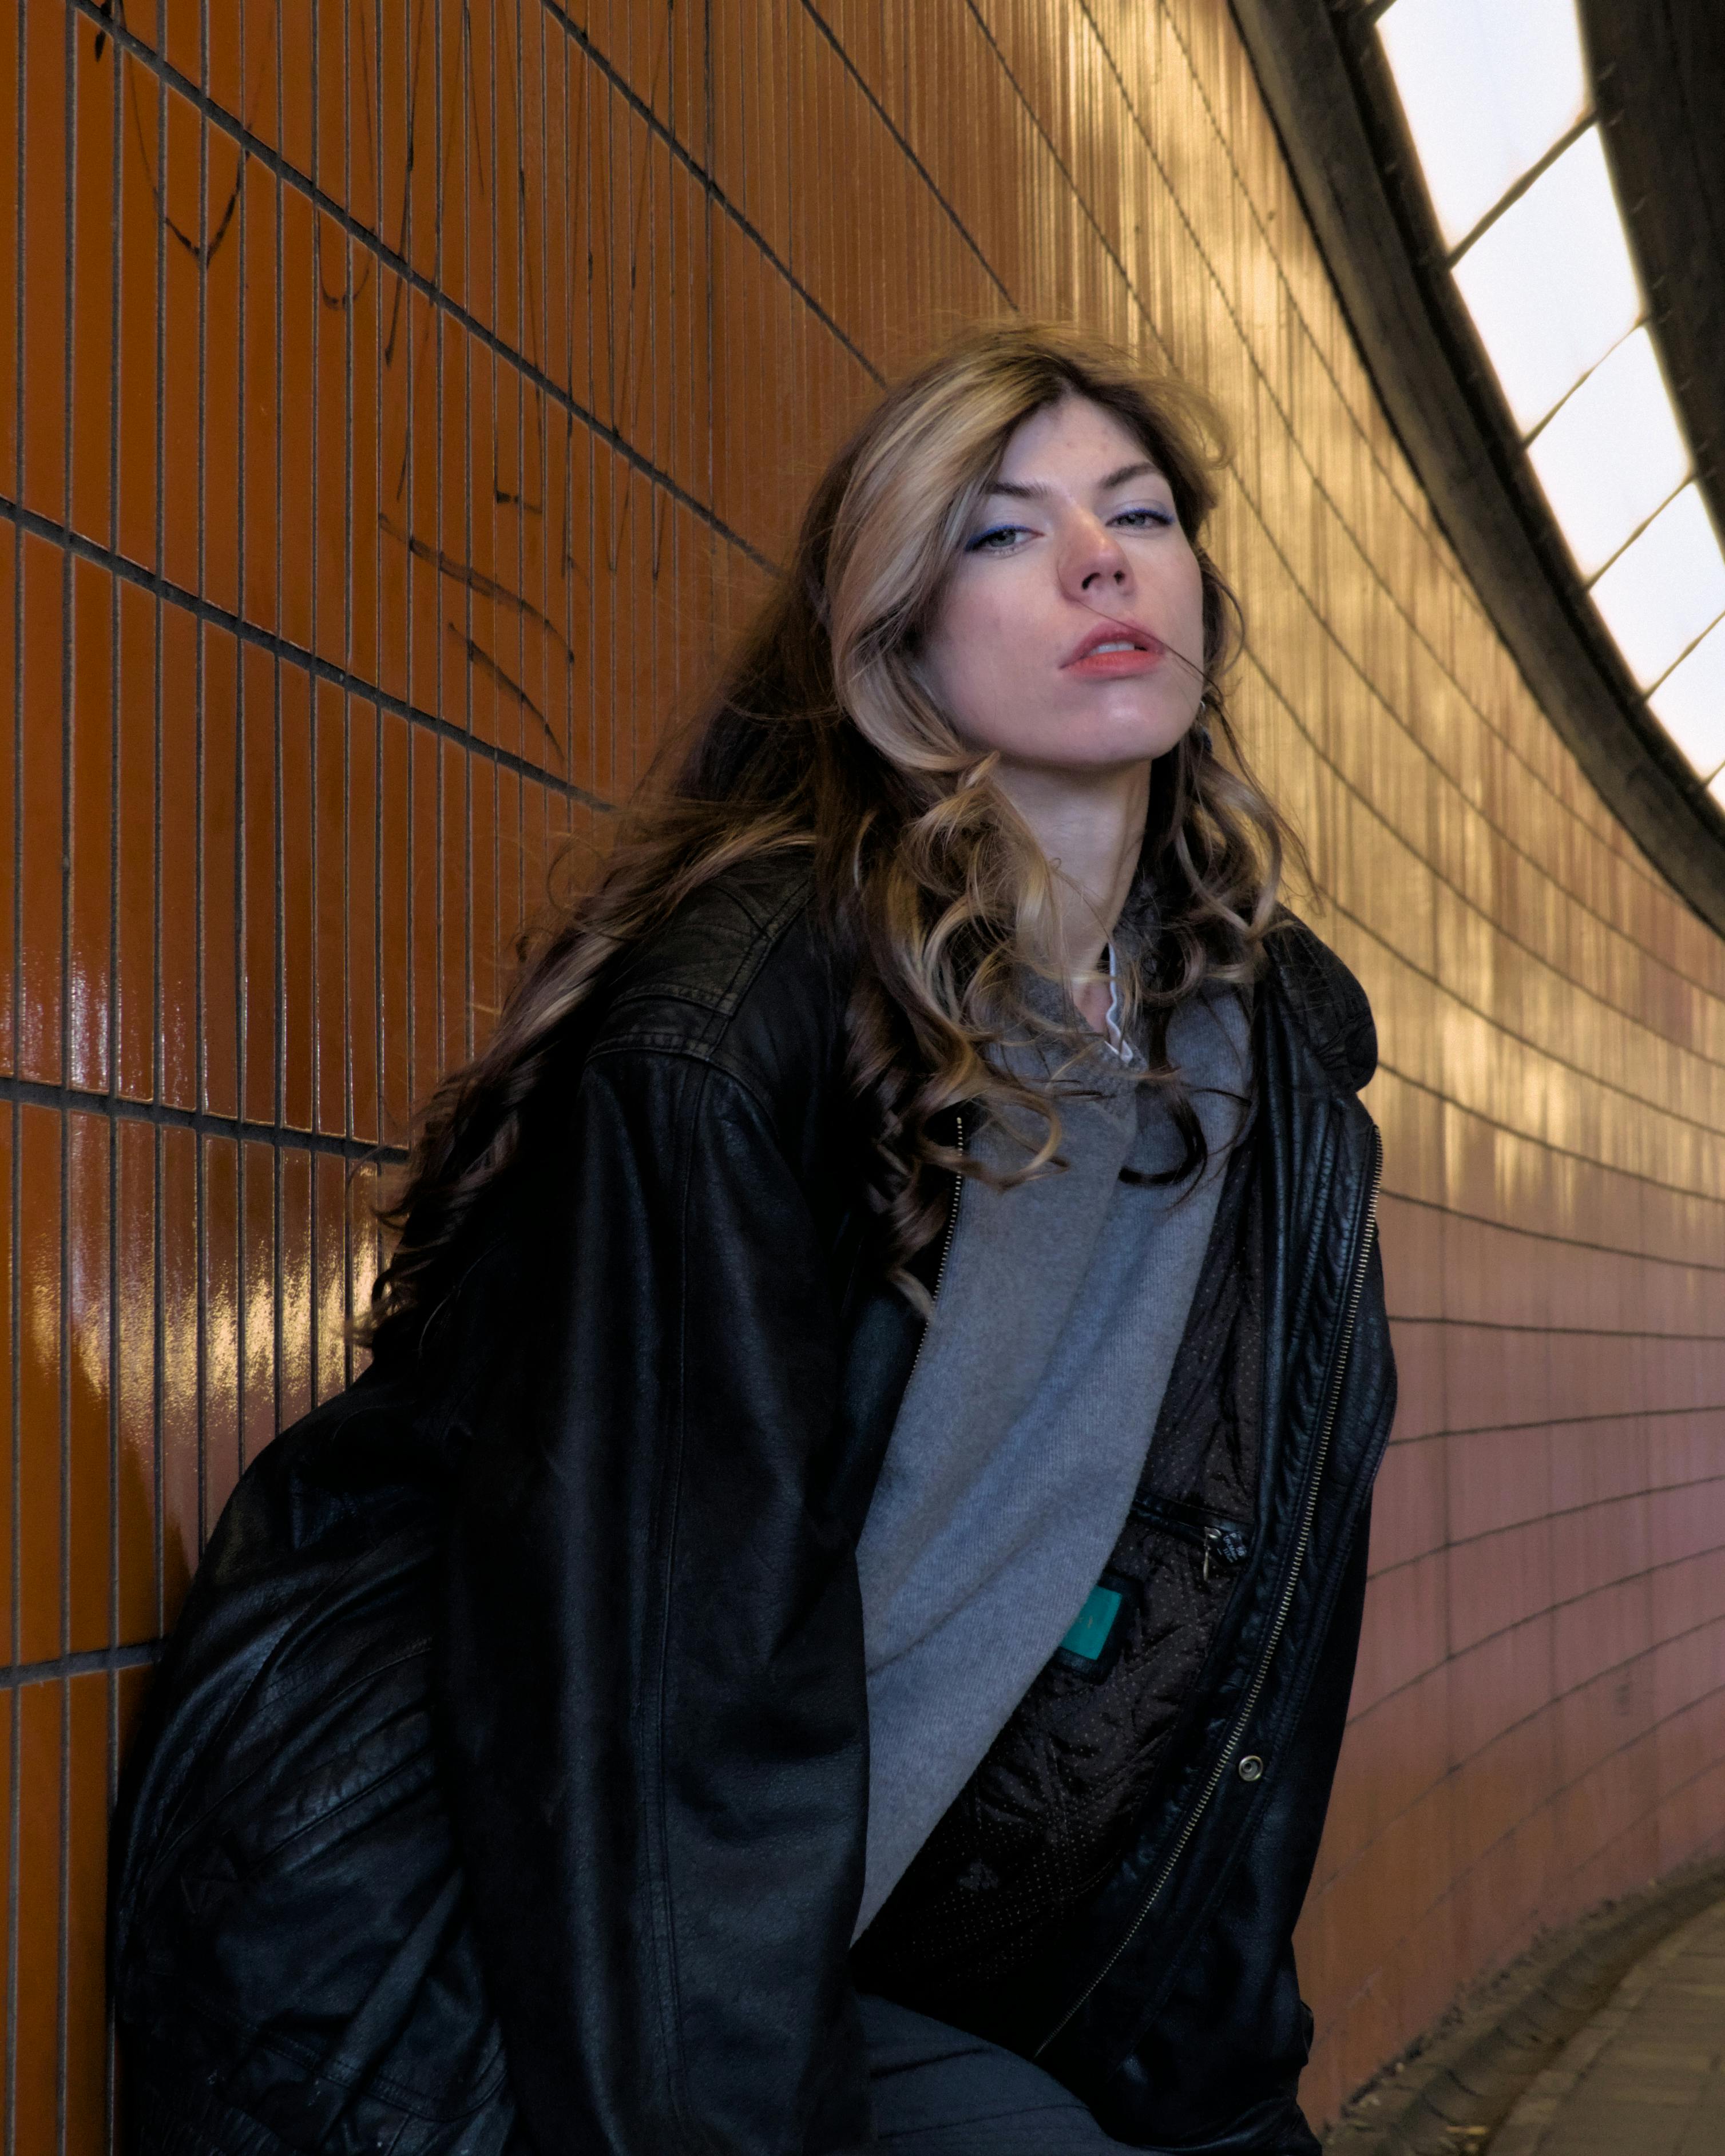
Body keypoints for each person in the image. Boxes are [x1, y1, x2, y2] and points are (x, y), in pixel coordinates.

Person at [110, 321, 1394, 2156]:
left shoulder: (1269, 1071)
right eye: (1005, 532)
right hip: (491, 1948)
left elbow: (1259, 1677)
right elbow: (645, 1704)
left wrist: (1223, 2097)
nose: (1104, 559)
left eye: (1138, 512)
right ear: (893, 636)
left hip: (834, 1935)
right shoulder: (741, 1028)